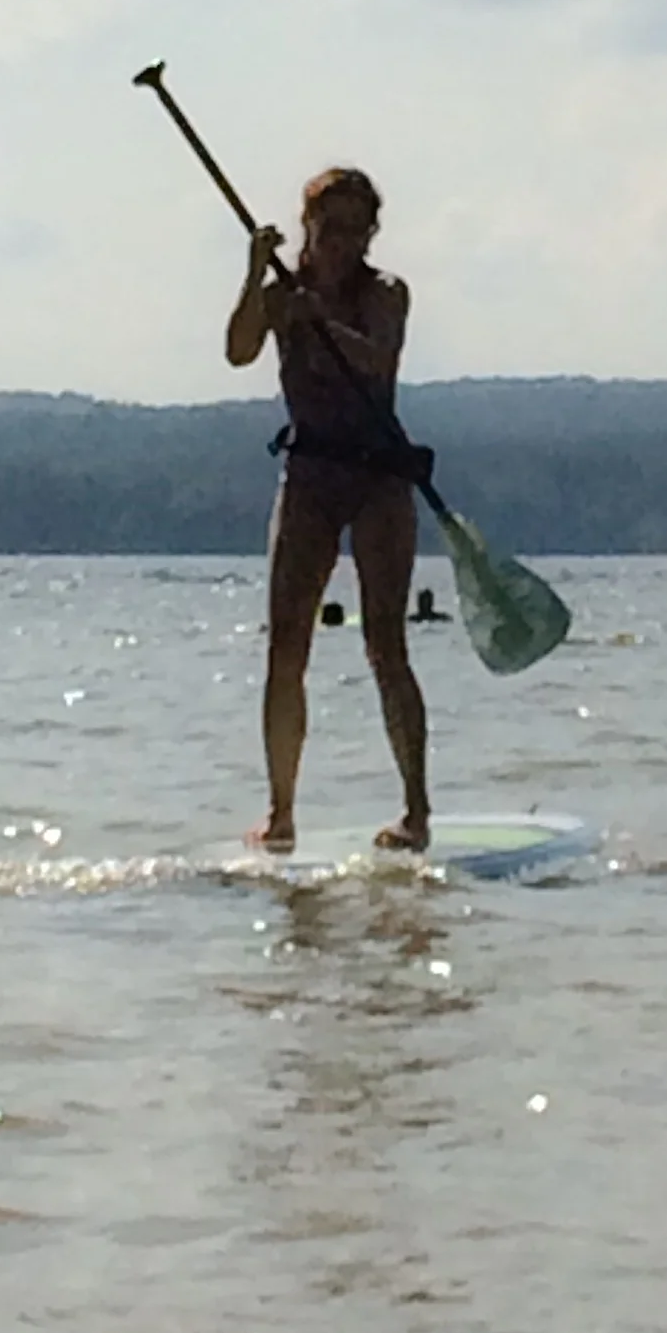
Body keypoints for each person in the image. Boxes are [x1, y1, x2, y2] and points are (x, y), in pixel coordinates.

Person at [226, 167, 429, 854]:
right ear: (307, 226)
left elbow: (378, 358)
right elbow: (238, 349)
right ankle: (280, 811)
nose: (341, 241)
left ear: (371, 233)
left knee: (385, 644)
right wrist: (256, 275)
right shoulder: (284, 293)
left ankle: (416, 811)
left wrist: (328, 323)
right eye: (328, 226)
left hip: (377, 479)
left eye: (355, 228)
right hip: (310, 477)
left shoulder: (385, 293)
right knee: (286, 648)